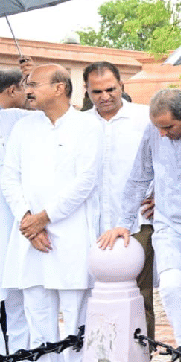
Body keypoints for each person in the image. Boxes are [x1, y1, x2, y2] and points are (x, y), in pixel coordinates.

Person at [0, 65, 102, 362]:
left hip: (70, 237)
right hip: (29, 239)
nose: (28, 89)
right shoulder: (23, 127)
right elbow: (9, 177)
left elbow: (85, 181)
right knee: (38, 322)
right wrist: (28, 220)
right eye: (26, 84)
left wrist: (43, 219)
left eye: (33, 84)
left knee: (74, 325)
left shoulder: (87, 126)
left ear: (59, 88)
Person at [97, 89, 181, 357]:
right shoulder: (153, 132)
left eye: (167, 127)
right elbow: (139, 177)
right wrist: (124, 221)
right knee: (171, 285)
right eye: (157, 127)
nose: (161, 133)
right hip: (171, 227)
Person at [82, 62, 154, 336]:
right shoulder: (81, 123)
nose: (105, 96)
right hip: (93, 223)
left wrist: (160, 192)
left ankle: (141, 352)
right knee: (94, 296)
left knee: (140, 296)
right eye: (96, 91)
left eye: (110, 89)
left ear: (122, 86)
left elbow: (164, 158)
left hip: (137, 222)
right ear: (87, 91)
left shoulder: (144, 117)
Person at [0, 69, 30, 355]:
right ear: (12, 90)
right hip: (15, 223)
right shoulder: (19, 120)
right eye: (24, 88)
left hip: (13, 222)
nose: (27, 94)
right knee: (20, 300)